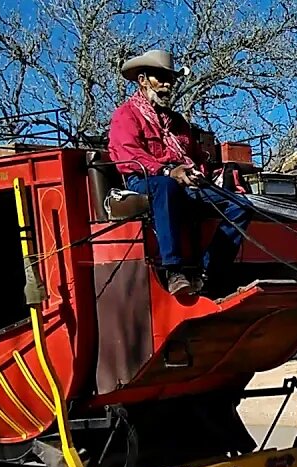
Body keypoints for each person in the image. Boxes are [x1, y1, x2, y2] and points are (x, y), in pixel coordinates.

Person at [107, 49, 250, 296]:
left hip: (185, 183)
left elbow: (194, 157)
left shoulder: (178, 122)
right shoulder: (126, 115)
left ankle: (207, 272)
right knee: (166, 187)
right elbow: (127, 154)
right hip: (144, 180)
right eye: (160, 78)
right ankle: (173, 269)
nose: (167, 85)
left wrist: (201, 173)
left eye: (170, 80)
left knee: (240, 205)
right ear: (142, 80)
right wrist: (166, 171)